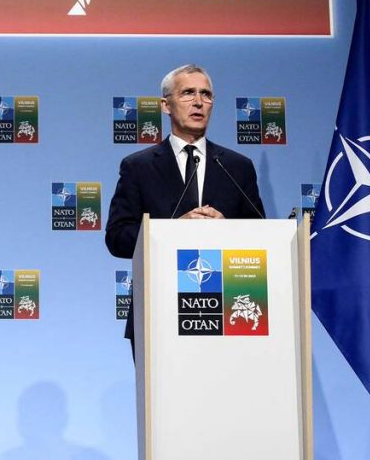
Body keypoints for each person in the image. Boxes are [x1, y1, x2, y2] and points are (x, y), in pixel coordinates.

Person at [105, 65, 265, 347]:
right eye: (188, 93)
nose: (199, 102)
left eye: (206, 94)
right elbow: (117, 238)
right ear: (165, 105)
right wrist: (170, 231)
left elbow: (260, 236)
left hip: (226, 310)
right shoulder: (138, 167)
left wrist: (228, 229)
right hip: (159, 310)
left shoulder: (238, 167)